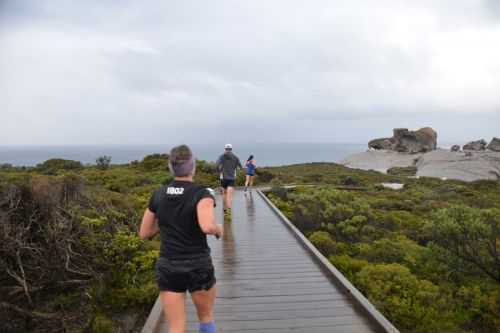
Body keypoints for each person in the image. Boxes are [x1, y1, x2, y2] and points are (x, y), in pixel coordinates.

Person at [139, 145, 223, 333]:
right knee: (206, 318)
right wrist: (219, 229)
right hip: (198, 266)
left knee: (176, 326)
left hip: (168, 265)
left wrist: (167, 222)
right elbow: (207, 226)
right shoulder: (202, 193)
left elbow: (144, 233)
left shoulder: (158, 194)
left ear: (171, 167)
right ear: (193, 166)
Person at [215, 144, 242, 220]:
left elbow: (216, 165)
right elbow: (240, 167)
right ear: (231, 149)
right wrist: (234, 169)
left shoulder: (221, 156)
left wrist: (219, 171)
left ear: (225, 149)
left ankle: (224, 210)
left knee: (224, 195)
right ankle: (228, 214)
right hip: (231, 179)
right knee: (229, 197)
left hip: (223, 178)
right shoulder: (236, 157)